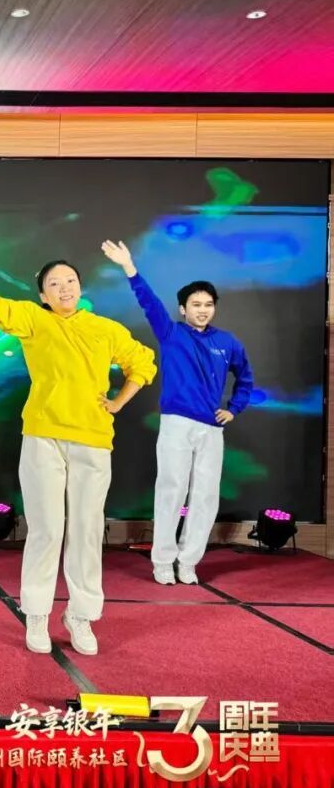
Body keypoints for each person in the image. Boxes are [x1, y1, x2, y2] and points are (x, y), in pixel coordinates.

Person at [0, 227, 156, 656]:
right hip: (43, 436)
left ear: (80, 287)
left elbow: (142, 363)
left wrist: (117, 402)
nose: (64, 288)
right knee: (47, 529)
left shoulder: (105, 329)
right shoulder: (34, 321)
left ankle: (81, 616)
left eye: (70, 281)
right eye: (54, 284)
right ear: (43, 295)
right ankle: (36, 613)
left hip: (93, 438)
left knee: (87, 529)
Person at [102, 240, 253, 585]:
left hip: (211, 428)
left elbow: (245, 378)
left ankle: (188, 562)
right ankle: (162, 561)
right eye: (196, 304)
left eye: (208, 304)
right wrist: (129, 267)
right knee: (171, 490)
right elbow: (148, 302)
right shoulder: (170, 332)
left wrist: (233, 409)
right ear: (183, 308)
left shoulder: (228, 342)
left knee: (205, 497)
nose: (203, 310)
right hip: (176, 424)